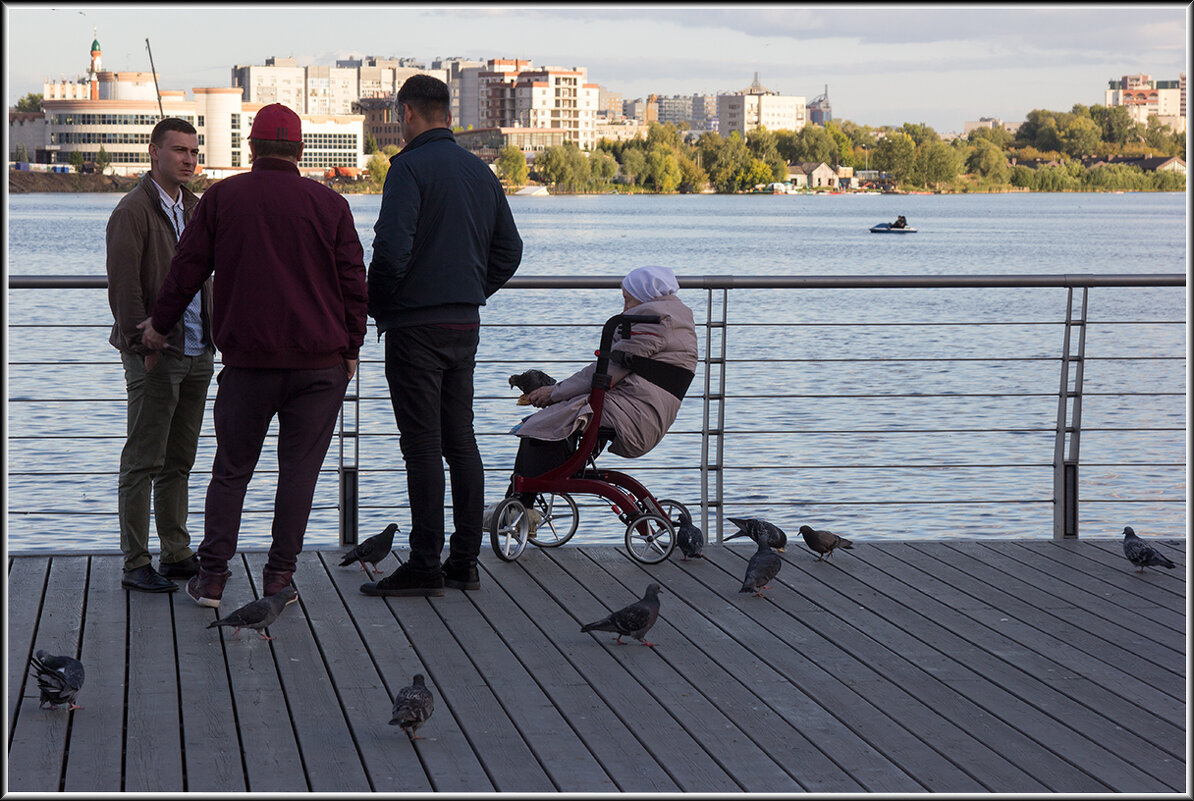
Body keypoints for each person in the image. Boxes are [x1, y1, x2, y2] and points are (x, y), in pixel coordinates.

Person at [139, 103, 368, 609]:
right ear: (301, 150)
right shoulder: (331, 206)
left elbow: (186, 270)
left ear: (252, 148)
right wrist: (352, 347)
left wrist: (158, 324)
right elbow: (355, 282)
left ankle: (213, 577)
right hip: (319, 366)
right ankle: (279, 578)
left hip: (248, 365)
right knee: (299, 473)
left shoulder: (223, 198)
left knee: (232, 470)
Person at [364, 74, 523, 597]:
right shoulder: (480, 171)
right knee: (461, 440)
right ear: (447, 113)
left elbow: (390, 251)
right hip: (464, 324)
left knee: (423, 447)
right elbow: (510, 251)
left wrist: (380, 305)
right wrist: (471, 289)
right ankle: (464, 562)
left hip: (414, 326)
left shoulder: (408, 169)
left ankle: (425, 564)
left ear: (406, 113)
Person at [106, 117, 214, 593]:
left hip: (197, 349)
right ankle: (135, 561)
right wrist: (140, 346)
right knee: (143, 459)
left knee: (180, 458)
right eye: (178, 151)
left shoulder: (196, 208)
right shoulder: (133, 211)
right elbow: (125, 290)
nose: (188, 159)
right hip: (155, 352)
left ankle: (176, 552)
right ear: (154, 153)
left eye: (193, 151)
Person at [509, 265, 698, 492]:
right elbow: (611, 369)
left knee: (542, 423)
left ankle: (522, 500)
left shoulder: (652, 322)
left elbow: (608, 371)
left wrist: (554, 393)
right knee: (556, 416)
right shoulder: (670, 318)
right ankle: (524, 498)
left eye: (628, 300)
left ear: (645, 296)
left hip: (636, 415)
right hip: (641, 408)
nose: (625, 307)